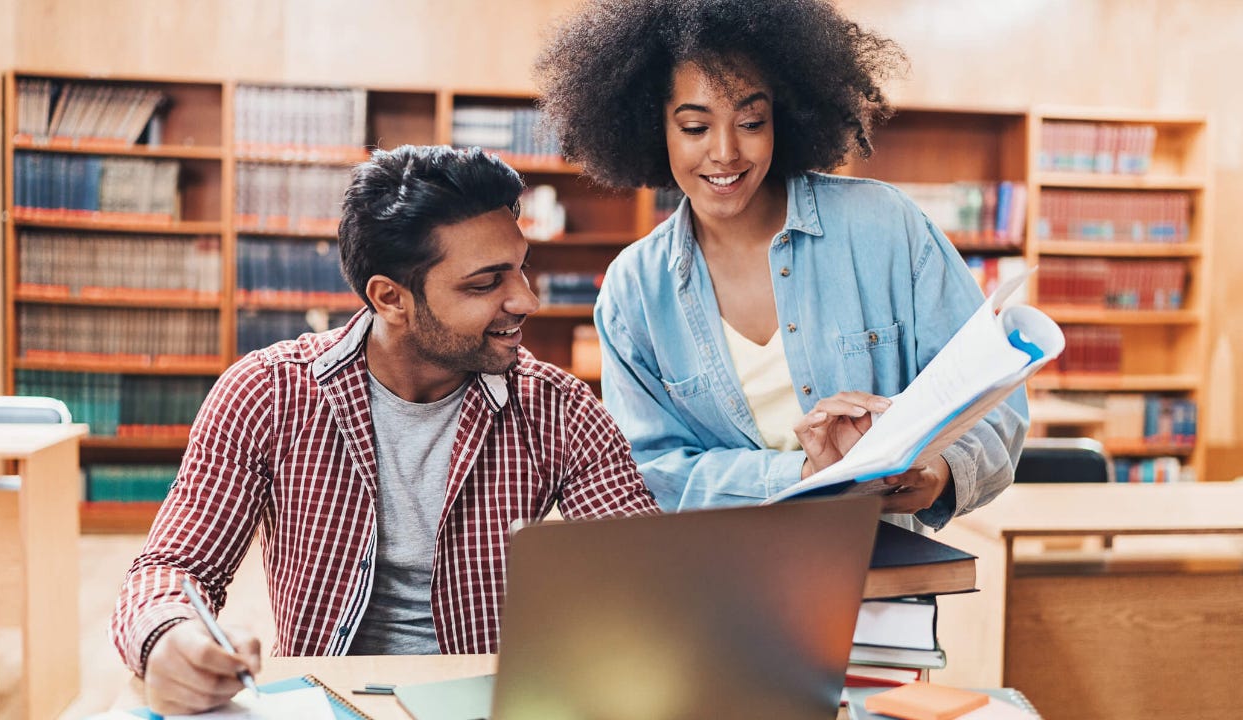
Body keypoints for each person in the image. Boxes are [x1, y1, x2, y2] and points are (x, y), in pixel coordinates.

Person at [110, 145, 659, 715]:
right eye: (485, 283)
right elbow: (171, 567)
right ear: (390, 298)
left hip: (494, 703)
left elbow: (649, 575)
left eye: (520, 267)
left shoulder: (558, 407)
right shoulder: (268, 393)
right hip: (323, 701)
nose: (526, 298)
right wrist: (168, 637)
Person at [534, 0, 1027, 525]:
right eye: (695, 128)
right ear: (653, 129)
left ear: (784, 119)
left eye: (750, 121)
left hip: (879, 570)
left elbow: (995, 402)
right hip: (719, 578)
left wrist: (938, 473)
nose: (725, 153)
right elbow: (649, 470)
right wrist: (800, 478)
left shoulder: (885, 228)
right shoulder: (634, 289)